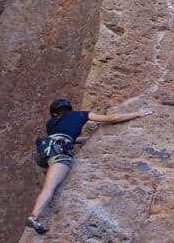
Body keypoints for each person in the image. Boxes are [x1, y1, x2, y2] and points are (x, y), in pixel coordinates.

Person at [25, 98, 152, 234]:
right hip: (60, 154)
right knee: (50, 188)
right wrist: (137, 114)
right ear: (70, 108)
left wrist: (84, 140)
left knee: (47, 186)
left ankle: (42, 209)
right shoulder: (80, 114)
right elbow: (112, 118)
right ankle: (34, 217)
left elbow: (63, 136)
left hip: (43, 155)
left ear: (55, 113)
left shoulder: (51, 122)